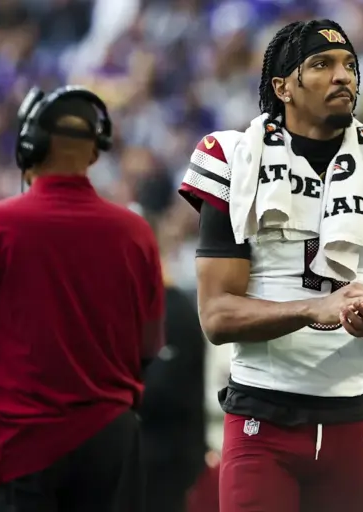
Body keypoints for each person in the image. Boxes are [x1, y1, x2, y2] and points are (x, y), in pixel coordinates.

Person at [178, 19, 363, 512]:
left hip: (351, 416)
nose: (343, 75)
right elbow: (217, 317)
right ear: (282, 87)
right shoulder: (233, 157)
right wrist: (313, 309)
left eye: (349, 65)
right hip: (262, 415)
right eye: (322, 64)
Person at [0, 86, 165, 512]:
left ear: (29, 147)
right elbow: (148, 350)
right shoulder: (137, 235)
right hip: (109, 452)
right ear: (95, 152)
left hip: (17, 450)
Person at [133, 173, 208, 512]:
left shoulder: (173, 310)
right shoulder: (123, 306)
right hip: (134, 460)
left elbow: (161, 390)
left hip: (165, 462)